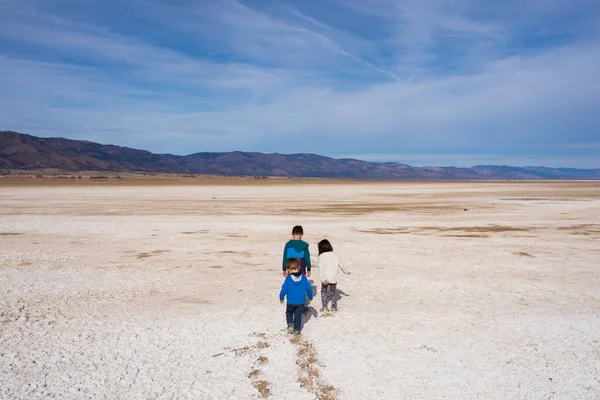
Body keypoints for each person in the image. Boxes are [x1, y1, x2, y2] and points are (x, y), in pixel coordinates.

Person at [280, 258, 314, 335]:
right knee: (297, 315)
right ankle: (297, 329)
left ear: (288, 270)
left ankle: (290, 324)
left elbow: (284, 288)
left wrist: (281, 297)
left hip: (290, 302)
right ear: (299, 267)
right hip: (300, 302)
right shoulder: (304, 277)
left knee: (289, 313)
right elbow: (308, 288)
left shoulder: (288, 278)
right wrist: (310, 297)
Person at [317, 239, 349, 312]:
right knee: (333, 293)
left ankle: (324, 307)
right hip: (334, 278)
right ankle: (334, 307)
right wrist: (345, 271)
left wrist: (322, 279)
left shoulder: (321, 256)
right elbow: (341, 264)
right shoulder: (334, 255)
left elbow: (321, 269)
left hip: (325, 278)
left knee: (324, 292)